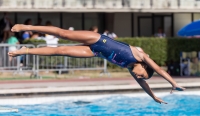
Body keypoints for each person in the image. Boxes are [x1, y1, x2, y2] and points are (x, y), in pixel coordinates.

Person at [8, 24, 186, 104]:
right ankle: (25, 27)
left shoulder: (132, 69)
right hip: (99, 40)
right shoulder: (140, 57)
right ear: (143, 66)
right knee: (63, 34)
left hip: (94, 51)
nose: (139, 76)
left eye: (140, 77)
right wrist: (173, 83)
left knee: (61, 51)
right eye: (142, 74)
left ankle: (24, 51)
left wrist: (154, 97)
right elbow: (157, 69)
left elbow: (144, 85)